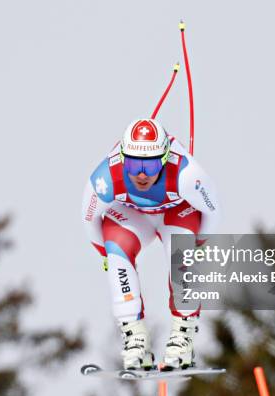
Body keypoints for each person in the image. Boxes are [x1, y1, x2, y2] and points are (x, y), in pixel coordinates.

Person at [81, 118, 220, 370]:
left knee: (183, 254)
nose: (142, 174)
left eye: (151, 164)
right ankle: (135, 339)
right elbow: (89, 218)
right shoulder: (106, 176)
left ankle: (182, 338)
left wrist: (199, 244)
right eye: (134, 164)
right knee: (116, 252)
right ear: (123, 159)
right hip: (133, 215)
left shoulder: (187, 174)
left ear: (165, 159)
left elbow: (213, 210)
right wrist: (105, 253)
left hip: (177, 212)